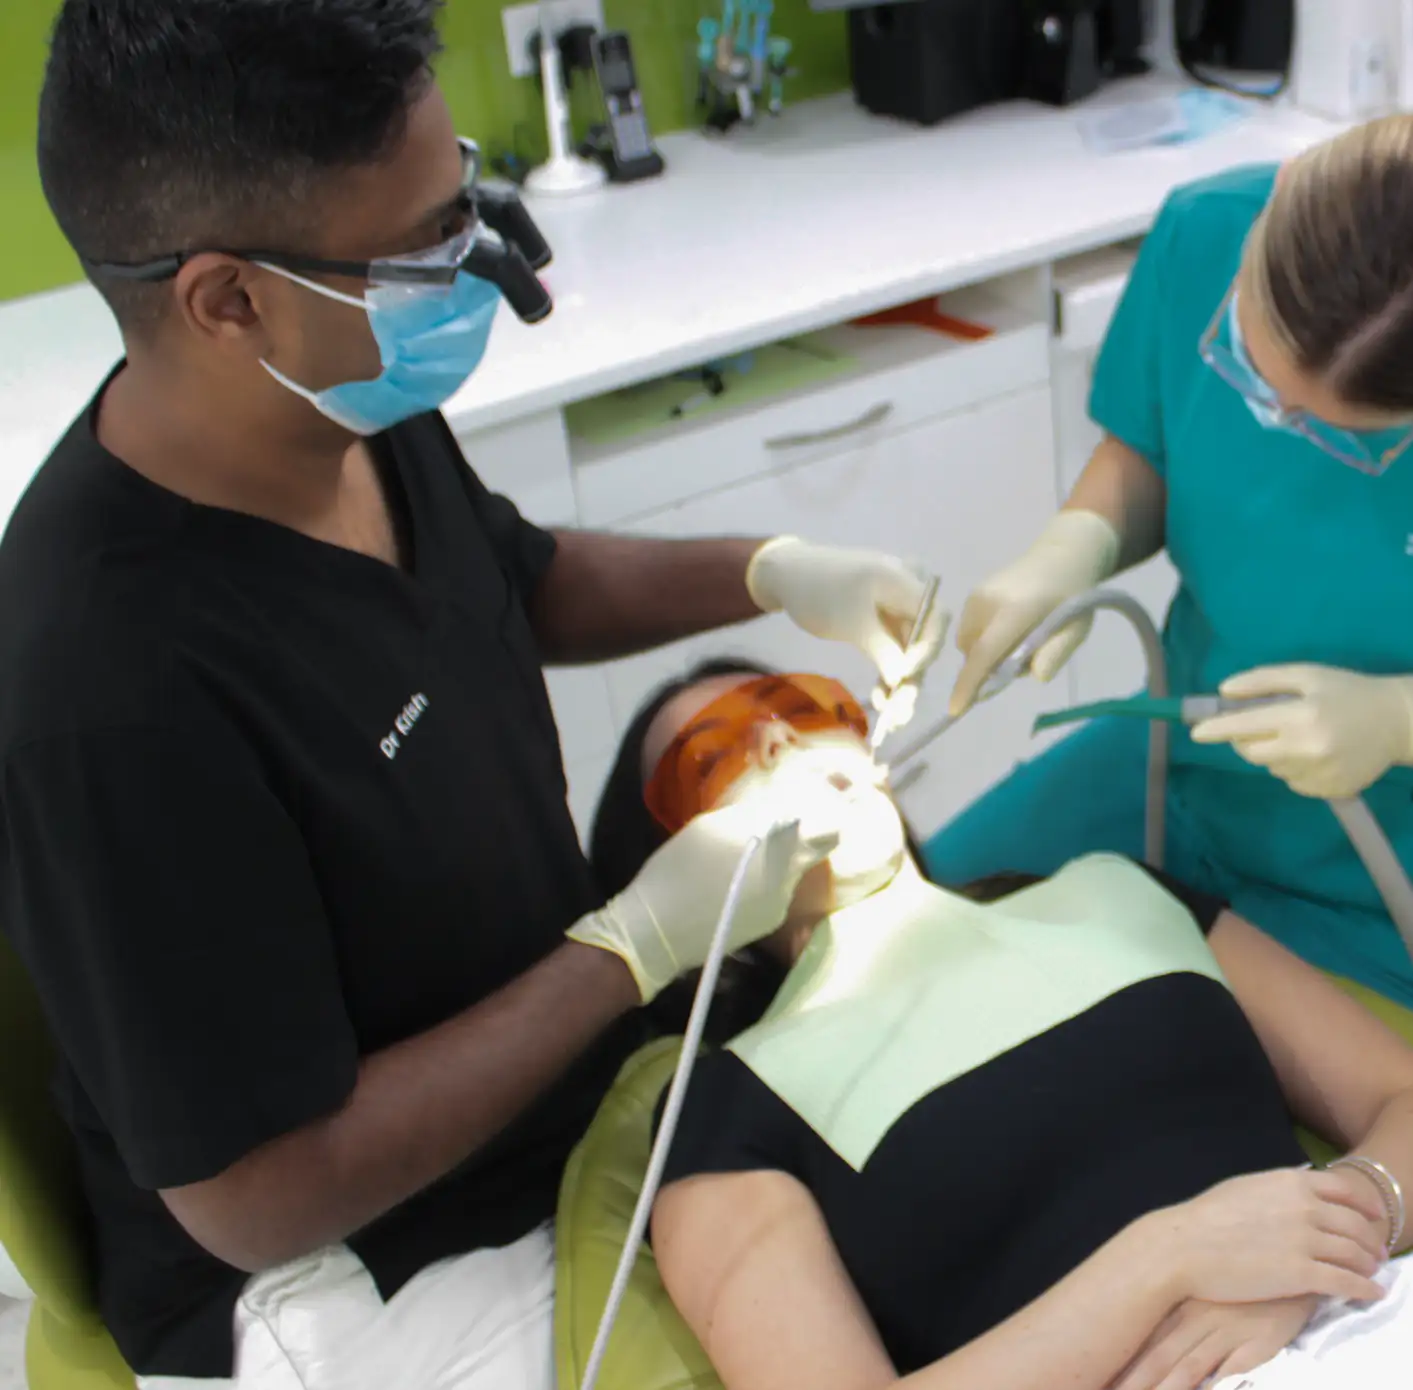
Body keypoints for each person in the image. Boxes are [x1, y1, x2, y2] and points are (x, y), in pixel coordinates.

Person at [0, 4, 946, 1387]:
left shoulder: (335, 403)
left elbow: (514, 574)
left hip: (541, 1077)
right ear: (227, 299)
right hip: (342, 1259)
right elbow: (258, 1192)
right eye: (424, 245)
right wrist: (629, 946)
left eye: (464, 208)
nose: (469, 271)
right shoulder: (106, 687)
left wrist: (771, 569)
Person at [589, 661, 1413, 1390]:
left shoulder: (1118, 892)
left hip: (1372, 1297)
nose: (776, 738)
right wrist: (1171, 1257)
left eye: (799, 704)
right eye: (711, 753)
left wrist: (1317, 1244)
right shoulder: (724, 1106)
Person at [925, 118, 1413, 1020]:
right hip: (1190, 766)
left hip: (1384, 880)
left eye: (1329, 433)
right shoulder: (1206, 224)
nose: (1270, 422)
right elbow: (1150, 447)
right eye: (1243, 368)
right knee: (920, 924)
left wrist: (1395, 721)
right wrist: (1072, 546)